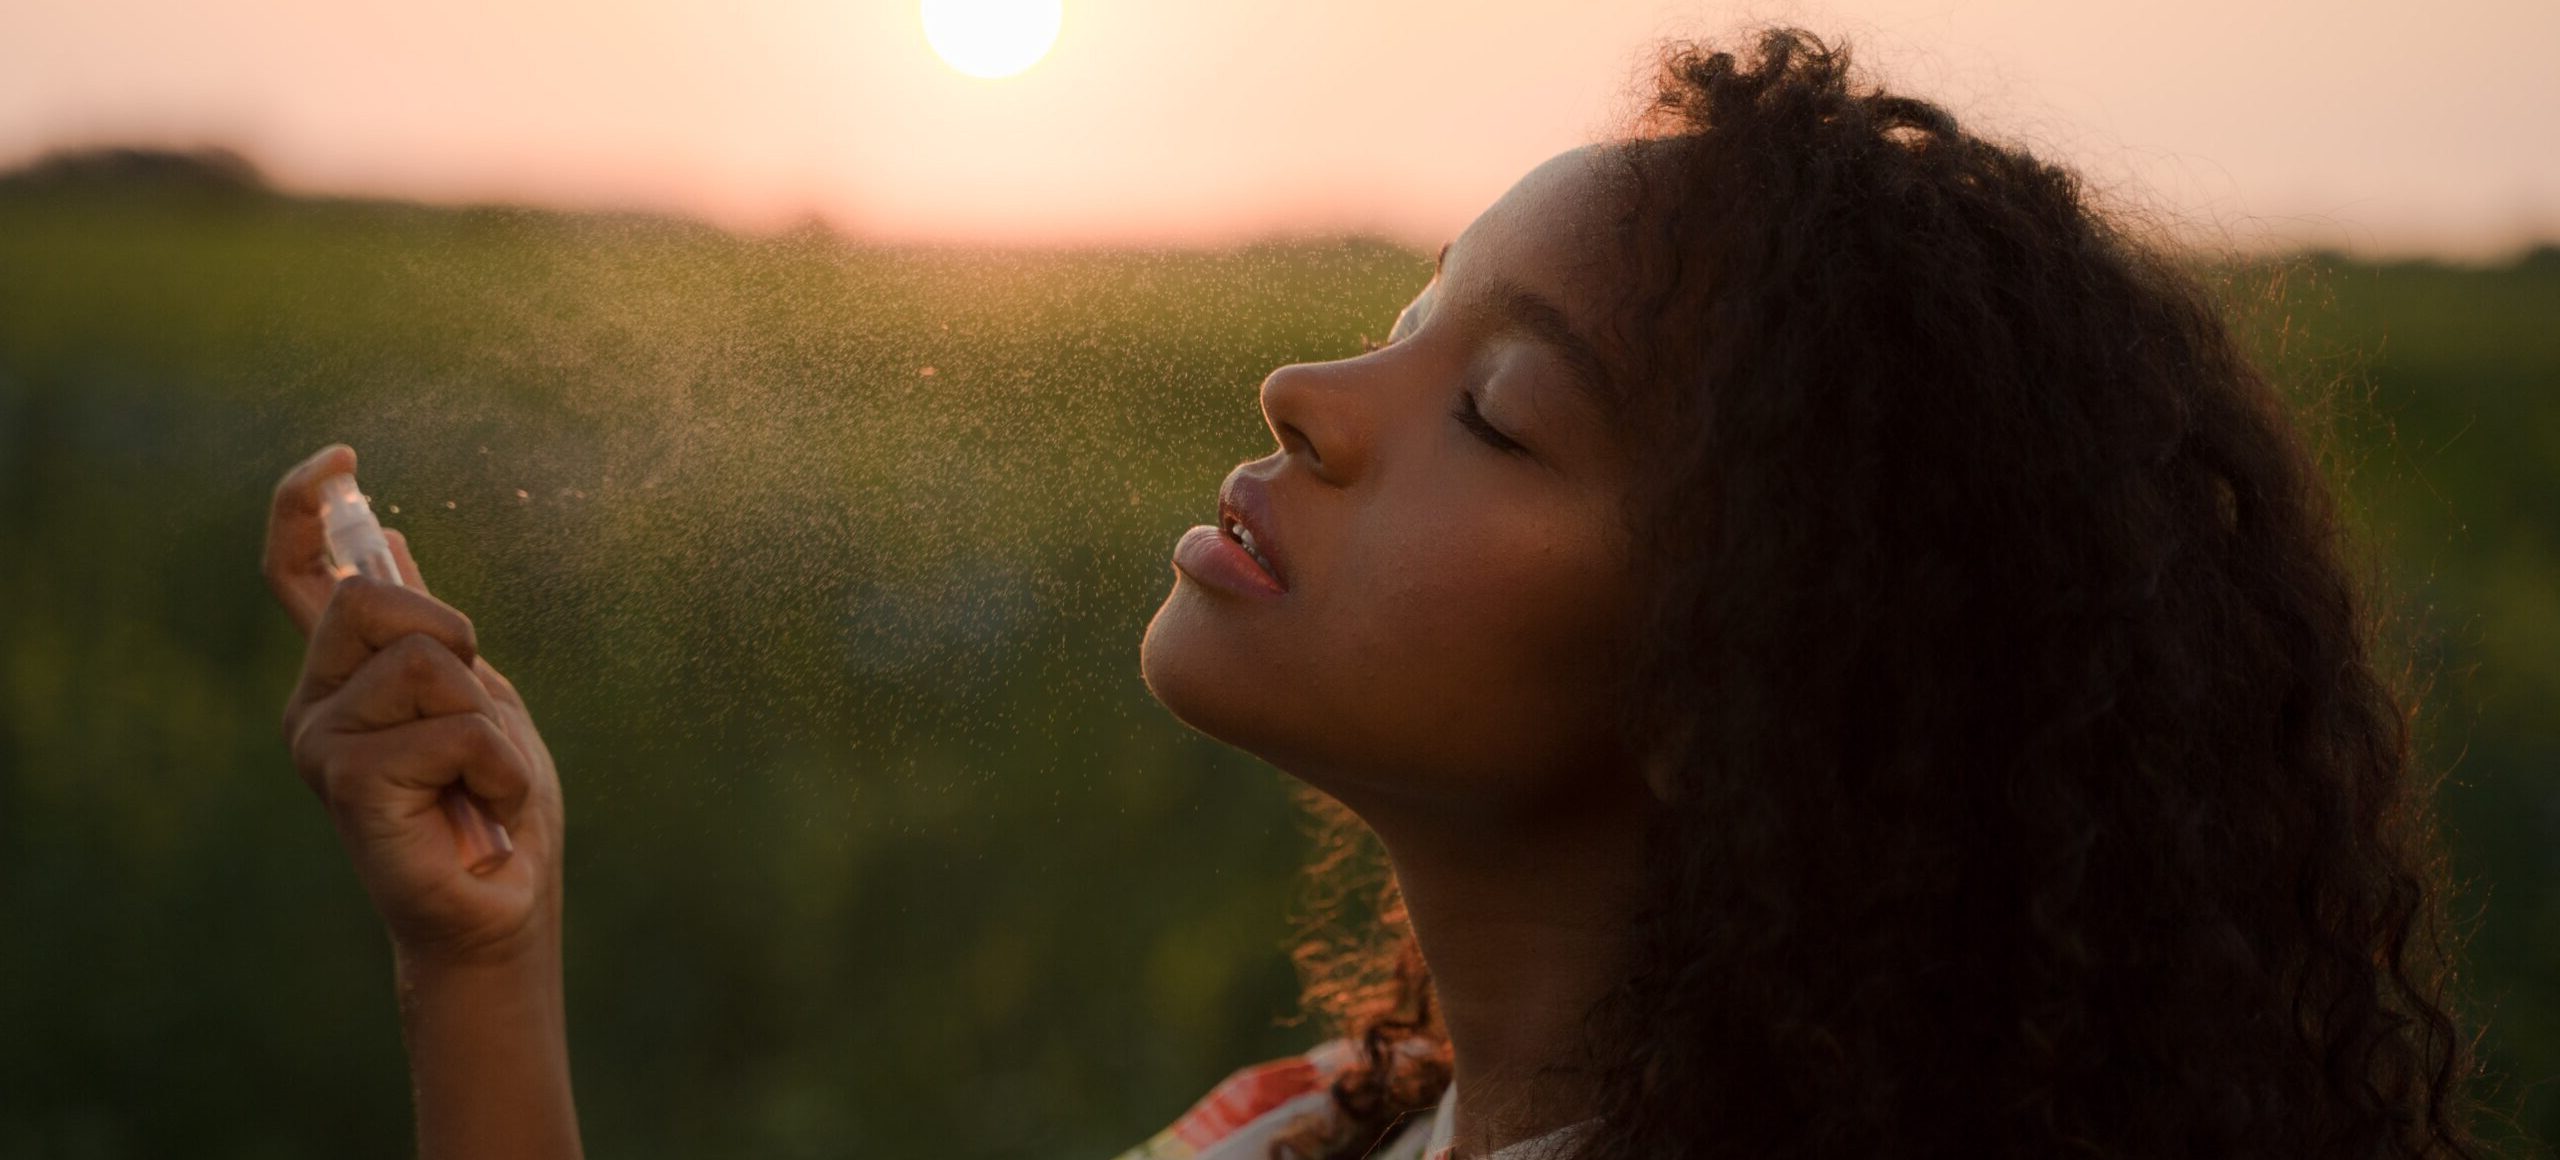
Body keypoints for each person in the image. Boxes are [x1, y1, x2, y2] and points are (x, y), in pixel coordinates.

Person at [260, 27, 2482, 1160]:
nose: (1310, 390)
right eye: (1407, 311)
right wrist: (486, 961)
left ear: (1759, 680)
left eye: (1498, 408)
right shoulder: (1318, 1125)